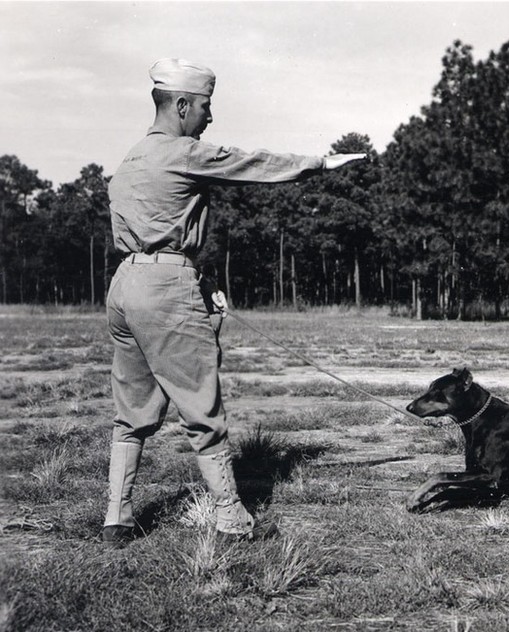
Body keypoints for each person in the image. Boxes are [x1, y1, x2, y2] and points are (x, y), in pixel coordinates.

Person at [101, 58, 365, 546]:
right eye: (205, 106)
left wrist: (193, 279)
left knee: (131, 411)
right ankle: (230, 517)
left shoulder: (131, 158)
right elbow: (253, 165)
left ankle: (116, 518)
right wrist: (322, 163)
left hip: (125, 287)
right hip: (165, 292)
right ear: (181, 105)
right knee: (202, 407)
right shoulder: (183, 152)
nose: (209, 118)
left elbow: (150, 239)